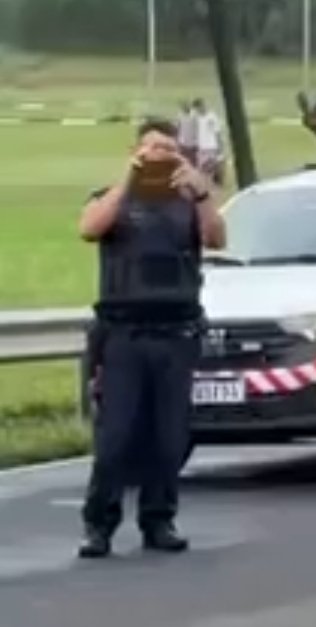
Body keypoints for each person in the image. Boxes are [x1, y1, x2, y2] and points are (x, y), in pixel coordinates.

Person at [76, 117, 226, 558]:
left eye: (167, 148)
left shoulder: (189, 200)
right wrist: (131, 177)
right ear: (134, 151)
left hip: (175, 331)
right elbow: (90, 228)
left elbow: (216, 238)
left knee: (168, 436)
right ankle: (98, 524)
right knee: (116, 436)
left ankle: (159, 519)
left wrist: (200, 192)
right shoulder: (114, 197)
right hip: (124, 333)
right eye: (150, 148)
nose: (158, 155)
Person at [192, 97, 224, 186]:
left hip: (211, 146)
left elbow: (217, 132)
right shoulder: (196, 117)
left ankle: (216, 183)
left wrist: (220, 146)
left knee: (213, 168)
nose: (199, 109)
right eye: (197, 108)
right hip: (201, 147)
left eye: (200, 107)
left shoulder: (212, 117)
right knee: (202, 169)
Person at [176, 100, 198, 167]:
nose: (185, 108)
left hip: (193, 143)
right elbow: (178, 128)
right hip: (183, 143)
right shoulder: (180, 115)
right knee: (183, 161)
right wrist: (177, 140)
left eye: (186, 106)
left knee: (193, 162)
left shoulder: (194, 115)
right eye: (183, 107)